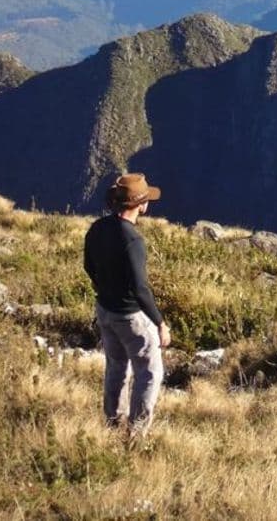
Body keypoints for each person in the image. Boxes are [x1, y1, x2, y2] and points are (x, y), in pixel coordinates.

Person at [83, 173, 171, 435]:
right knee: (149, 372)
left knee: (116, 367)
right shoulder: (132, 240)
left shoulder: (97, 228)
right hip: (131, 317)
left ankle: (113, 424)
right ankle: (136, 434)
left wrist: (105, 290)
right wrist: (160, 323)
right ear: (141, 204)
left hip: (105, 311)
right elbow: (139, 288)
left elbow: (89, 266)